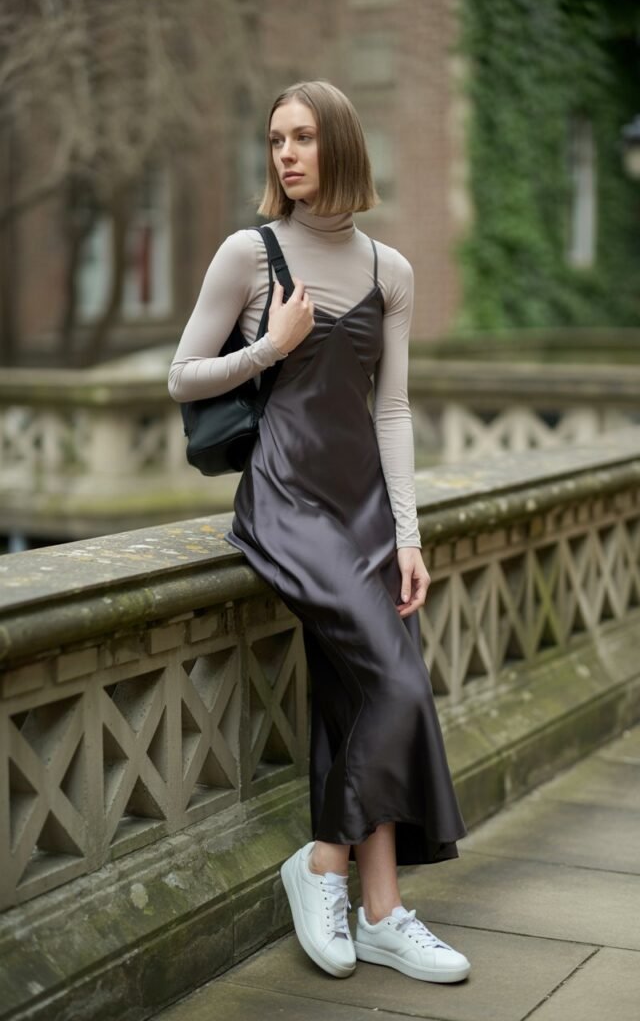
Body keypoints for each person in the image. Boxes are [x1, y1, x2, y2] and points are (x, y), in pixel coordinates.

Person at [168, 80, 469, 985]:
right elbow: (182, 376)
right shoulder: (248, 254)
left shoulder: (391, 270)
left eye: (302, 138)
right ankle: (324, 864)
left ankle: (382, 912)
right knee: (398, 685)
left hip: (367, 514)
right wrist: (271, 345)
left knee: (359, 695)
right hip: (287, 502)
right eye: (275, 141)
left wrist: (408, 537)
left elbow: (393, 410)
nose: (286, 155)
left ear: (340, 145)